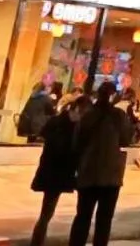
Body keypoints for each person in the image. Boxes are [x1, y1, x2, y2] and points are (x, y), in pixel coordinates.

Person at [70, 82, 132, 246]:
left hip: (88, 172)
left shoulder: (87, 116)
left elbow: (76, 144)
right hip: (111, 176)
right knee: (104, 221)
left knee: (82, 217)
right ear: (113, 96)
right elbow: (126, 139)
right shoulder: (119, 116)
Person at [29, 94, 90, 246]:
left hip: (52, 170)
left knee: (46, 212)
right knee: (48, 212)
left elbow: (43, 135)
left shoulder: (58, 120)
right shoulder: (76, 127)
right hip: (60, 171)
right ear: (80, 109)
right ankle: (37, 242)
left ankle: (37, 242)